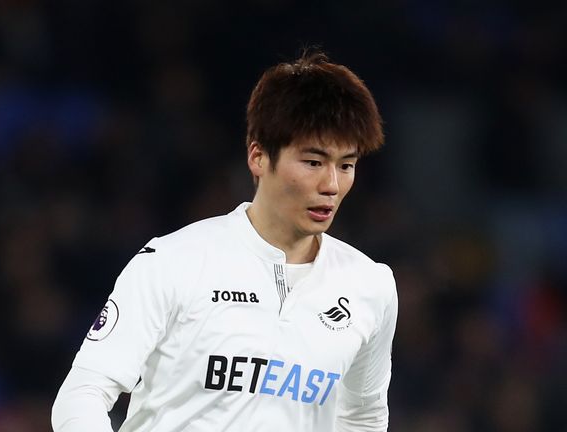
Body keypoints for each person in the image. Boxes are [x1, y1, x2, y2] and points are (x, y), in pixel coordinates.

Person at [51, 51, 398, 431]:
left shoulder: (370, 286)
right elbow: (82, 392)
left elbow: (363, 417)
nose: (331, 185)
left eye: (346, 165)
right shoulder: (173, 261)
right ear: (258, 156)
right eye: (313, 162)